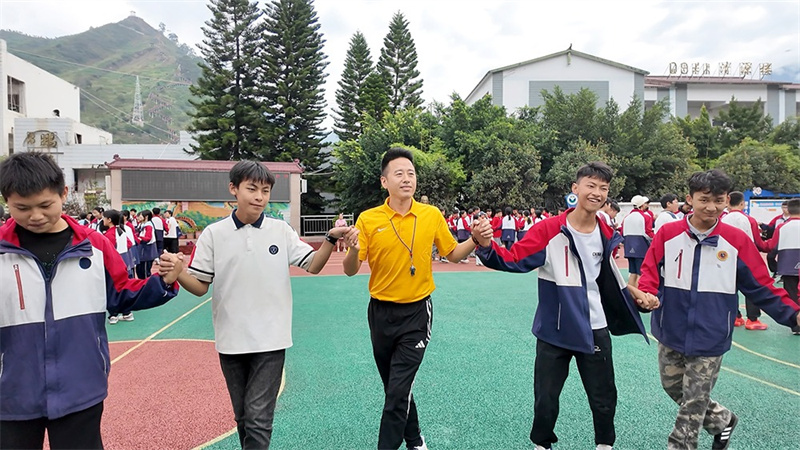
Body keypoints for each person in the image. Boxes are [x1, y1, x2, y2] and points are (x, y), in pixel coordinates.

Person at [162, 160, 356, 450]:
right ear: (233, 189)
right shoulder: (214, 234)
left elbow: (313, 264)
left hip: (271, 338)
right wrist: (178, 275)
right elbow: (201, 286)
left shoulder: (281, 231)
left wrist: (329, 238)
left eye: (265, 191)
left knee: (257, 418)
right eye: (251, 189)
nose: (259, 197)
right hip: (231, 340)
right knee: (243, 417)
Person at [0, 152, 182, 450]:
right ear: (7, 200)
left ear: (64, 193)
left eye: (45, 205)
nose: (35, 216)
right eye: (22, 207)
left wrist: (163, 282)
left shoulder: (94, 245)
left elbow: (122, 292)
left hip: (81, 385)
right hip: (11, 391)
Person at [472, 162, 658, 450]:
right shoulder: (549, 229)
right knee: (546, 396)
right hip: (554, 328)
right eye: (591, 185)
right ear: (576, 189)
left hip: (594, 326)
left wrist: (634, 293)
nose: (596, 193)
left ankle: (605, 444)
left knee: (604, 395)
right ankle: (542, 444)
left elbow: (603, 274)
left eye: (603, 188)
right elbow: (512, 259)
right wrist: (485, 245)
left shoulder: (606, 230)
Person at [638, 170, 800, 450]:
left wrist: (793, 314)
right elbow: (650, 271)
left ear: (726, 200)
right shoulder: (667, 233)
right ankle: (722, 419)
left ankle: (679, 446)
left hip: (711, 334)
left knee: (693, 402)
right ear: (689, 199)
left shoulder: (736, 240)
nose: (712, 207)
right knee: (672, 386)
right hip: (670, 327)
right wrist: (648, 294)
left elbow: (761, 286)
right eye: (704, 200)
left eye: (719, 200)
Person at [343, 147, 488, 450]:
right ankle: (415, 439)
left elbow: (452, 253)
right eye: (399, 173)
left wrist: (474, 239)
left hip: (417, 315)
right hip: (380, 314)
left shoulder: (430, 214)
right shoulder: (369, 219)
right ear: (384, 182)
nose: (407, 179)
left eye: (411, 173)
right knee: (395, 387)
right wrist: (354, 248)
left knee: (397, 391)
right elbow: (350, 270)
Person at [721, 191, 770, 330]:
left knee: (731, 287)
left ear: (728, 202)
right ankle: (752, 319)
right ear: (742, 203)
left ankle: (735, 316)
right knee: (751, 286)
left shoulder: (723, 218)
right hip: (745, 257)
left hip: (726, 257)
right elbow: (757, 242)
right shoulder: (749, 219)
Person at [764, 197, 800, 335]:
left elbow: (772, 246)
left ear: (788, 211)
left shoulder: (781, 226)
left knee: (790, 292)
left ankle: (796, 325)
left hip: (788, 262)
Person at [621, 195, 654, 287]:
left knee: (632, 272)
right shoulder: (645, 217)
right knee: (641, 272)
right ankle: (639, 295)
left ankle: (630, 295)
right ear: (642, 205)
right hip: (641, 246)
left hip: (628, 245)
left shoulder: (627, 217)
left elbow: (622, 232)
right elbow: (648, 232)